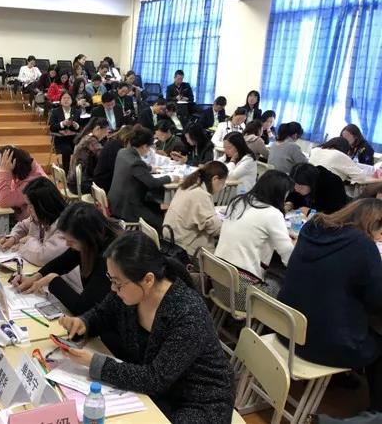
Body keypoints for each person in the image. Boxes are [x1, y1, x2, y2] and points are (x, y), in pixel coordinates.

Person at [58, 232, 234, 423]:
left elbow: (155, 379)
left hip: (199, 403)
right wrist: (83, 323)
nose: (113, 289)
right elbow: (102, 314)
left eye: (117, 282)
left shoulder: (187, 313)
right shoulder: (129, 292)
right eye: (111, 279)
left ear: (148, 280)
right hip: (156, 391)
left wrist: (95, 363)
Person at [278, 199, 382, 412]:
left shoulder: (311, 228)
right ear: (374, 225)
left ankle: (340, 379)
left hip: (287, 328)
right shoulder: (363, 245)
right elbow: (377, 301)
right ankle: (376, 412)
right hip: (323, 345)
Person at [13, 202, 121, 315]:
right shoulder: (91, 242)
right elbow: (63, 262)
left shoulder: (109, 259)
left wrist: (52, 280)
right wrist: (35, 277)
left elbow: (83, 308)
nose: (67, 244)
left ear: (88, 237)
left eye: (71, 241)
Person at [214, 170, 295, 310]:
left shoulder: (238, 201)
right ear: (279, 193)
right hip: (241, 294)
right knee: (285, 282)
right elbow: (288, 257)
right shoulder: (272, 213)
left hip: (218, 282)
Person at [0, 178, 81, 292]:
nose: (28, 211)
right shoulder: (42, 217)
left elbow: (42, 257)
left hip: (70, 285)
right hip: (45, 277)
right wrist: (13, 238)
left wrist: (27, 241)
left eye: (31, 206)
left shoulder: (65, 228)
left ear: (43, 205)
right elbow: (22, 226)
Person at [109, 127, 180, 229]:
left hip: (116, 203)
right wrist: (170, 177)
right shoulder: (136, 163)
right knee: (162, 224)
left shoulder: (122, 152)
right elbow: (153, 183)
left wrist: (151, 168)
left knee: (156, 207)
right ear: (144, 146)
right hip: (128, 208)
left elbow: (137, 168)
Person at [164, 161, 229, 257]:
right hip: (183, 247)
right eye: (223, 183)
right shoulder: (201, 195)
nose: (222, 187)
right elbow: (215, 229)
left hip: (170, 239)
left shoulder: (188, 185)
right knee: (224, 247)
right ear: (215, 179)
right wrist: (228, 225)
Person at [0, 146, 46, 221]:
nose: (0, 169)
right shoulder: (22, 172)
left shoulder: (34, 182)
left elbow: (3, 201)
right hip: (22, 221)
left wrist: (5, 172)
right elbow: (4, 184)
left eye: (2, 166)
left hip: (30, 224)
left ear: (13, 164)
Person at [67, 118, 110, 194]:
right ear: (98, 128)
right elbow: (103, 156)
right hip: (79, 184)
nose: (106, 135)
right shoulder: (90, 140)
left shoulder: (85, 136)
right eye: (106, 131)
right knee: (107, 185)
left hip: (73, 181)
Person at [93, 125, 135, 193]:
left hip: (101, 181)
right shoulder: (117, 148)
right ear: (128, 139)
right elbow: (117, 170)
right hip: (104, 184)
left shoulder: (113, 143)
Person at [49, 91, 81, 173]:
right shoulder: (55, 111)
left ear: (72, 100)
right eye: (64, 98)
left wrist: (76, 125)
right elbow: (52, 127)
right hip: (61, 139)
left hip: (74, 139)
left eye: (68, 98)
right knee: (67, 150)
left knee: (83, 148)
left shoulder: (77, 112)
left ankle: (78, 173)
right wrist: (62, 124)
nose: (66, 100)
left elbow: (81, 128)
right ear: (60, 100)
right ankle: (66, 173)